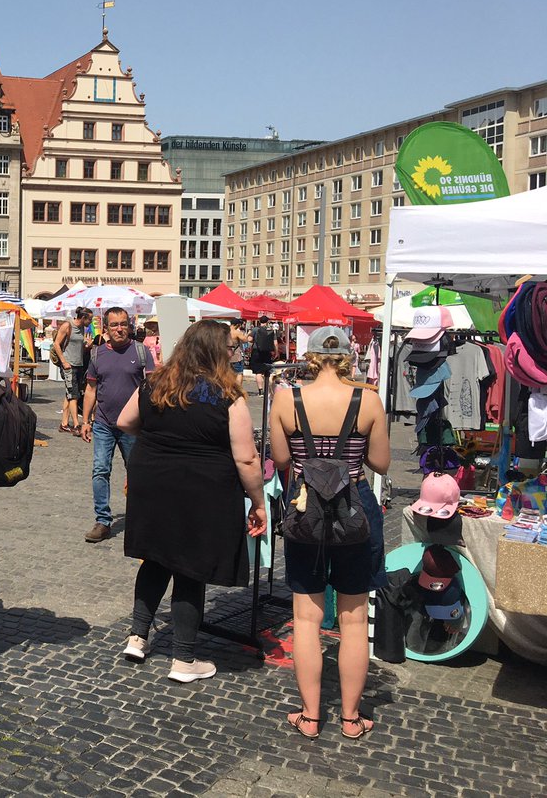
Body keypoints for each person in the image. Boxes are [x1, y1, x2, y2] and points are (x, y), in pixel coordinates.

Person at [117, 319, 267, 681]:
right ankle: (183, 659)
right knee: (189, 568)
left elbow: (124, 421)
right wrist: (258, 501)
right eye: (230, 349)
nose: (234, 354)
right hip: (201, 489)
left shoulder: (155, 383)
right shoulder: (227, 396)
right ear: (218, 352)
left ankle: (138, 637)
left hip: (152, 481)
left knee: (154, 559)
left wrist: (158, 438)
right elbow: (247, 457)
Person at [268, 327, 390, 740]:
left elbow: (282, 458)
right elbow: (382, 463)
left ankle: (310, 715)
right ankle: (352, 718)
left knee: (305, 618)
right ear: (346, 358)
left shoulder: (287, 399)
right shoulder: (368, 399)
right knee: (353, 620)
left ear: (311, 356)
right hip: (354, 508)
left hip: (306, 510)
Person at [80, 307, 153, 543]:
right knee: (100, 469)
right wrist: (85, 420)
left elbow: (153, 388)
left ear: (129, 325)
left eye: (123, 324)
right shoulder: (96, 354)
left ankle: (140, 518)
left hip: (133, 426)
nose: (119, 329)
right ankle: (102, 521)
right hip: (103, 423)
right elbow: (90, 389)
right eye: (114, 325)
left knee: (137, 471)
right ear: (106, 328)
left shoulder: (142, 352)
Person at [52, 306, 93, 435]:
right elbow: (56, 344)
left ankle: (64, 424)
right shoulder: (67, 325)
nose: (91, 322)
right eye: (90, 319)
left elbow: (77, 347)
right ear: (83, 318)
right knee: (73, 396)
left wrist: (87, 346)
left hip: (78, 365)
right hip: (69, 366)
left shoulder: (82, 328)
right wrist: (64, 362)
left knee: (69, 394)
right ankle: (76, 425)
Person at [248, 315, 277, 396]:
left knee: (258, 372)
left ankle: (260, 391)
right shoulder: (270, 330)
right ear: (267, 322)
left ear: (259, 321)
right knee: (268, 371)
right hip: (267, 352)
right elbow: (275, 343)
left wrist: (254, 341)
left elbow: (249, 339)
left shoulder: (255, 329)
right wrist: (276, 352)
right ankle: (270, 390)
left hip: (256, 352)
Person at [229, 320, 250, 388]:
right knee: (239, 373)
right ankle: (238, 389)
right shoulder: (237, 332)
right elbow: (245, 340)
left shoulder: (224, 331)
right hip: (236, 356)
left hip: (225, 356)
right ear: (237, 325)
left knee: (228, 373)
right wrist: (247, 334)